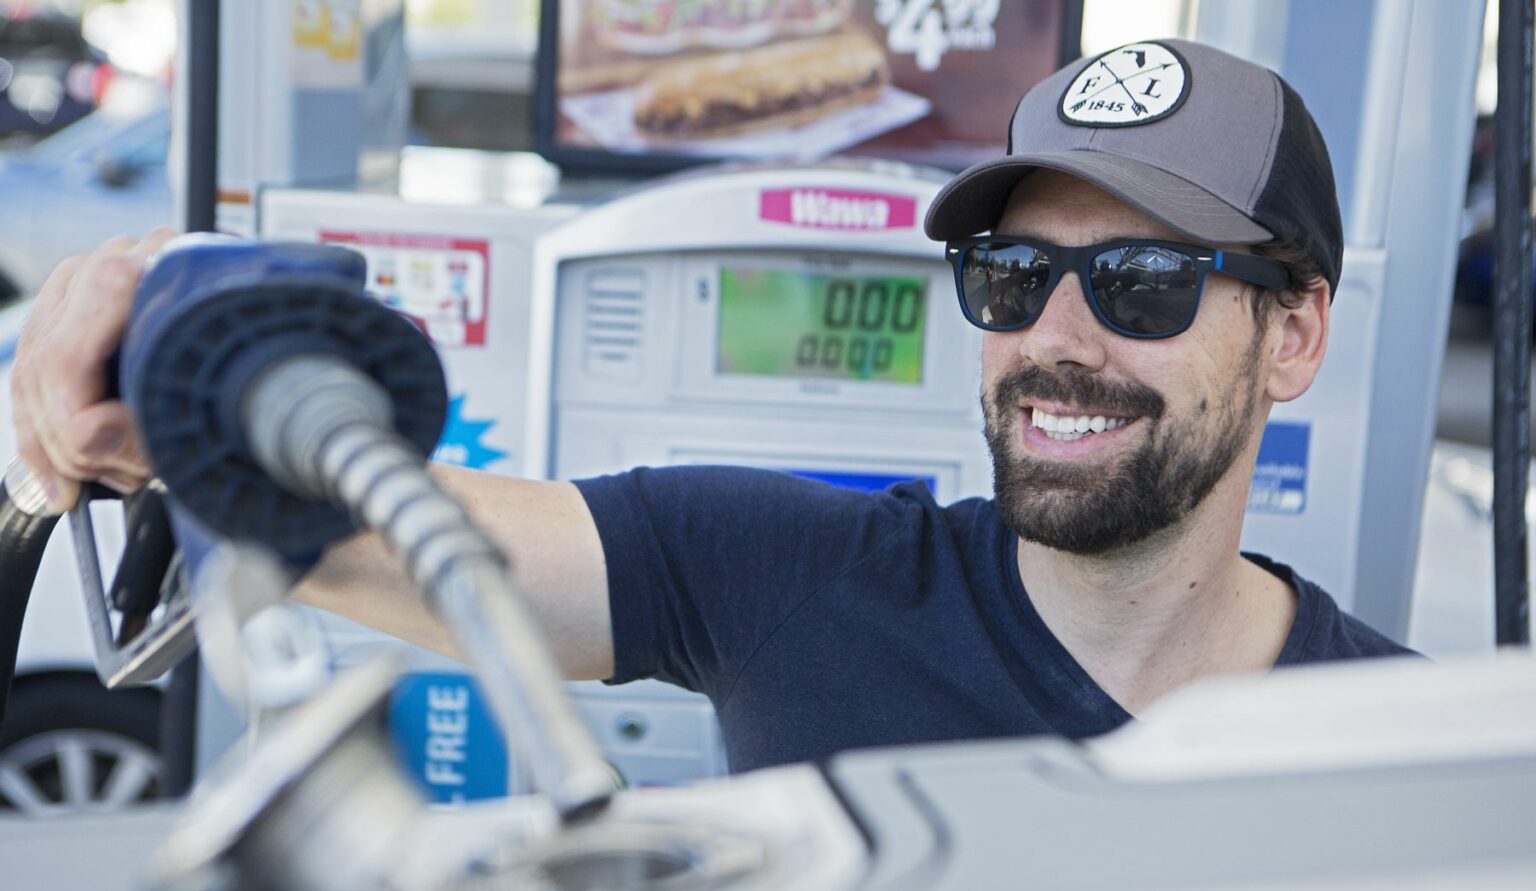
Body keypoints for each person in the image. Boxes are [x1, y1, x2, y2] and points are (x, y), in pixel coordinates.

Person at [8, 40, 1413, 774]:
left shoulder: (1415, 749)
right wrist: (153, 341)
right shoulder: (782, 575)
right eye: (1011, 272)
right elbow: (365, 516)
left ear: (1294, 335)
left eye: (1144, 281)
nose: (1056, 337)